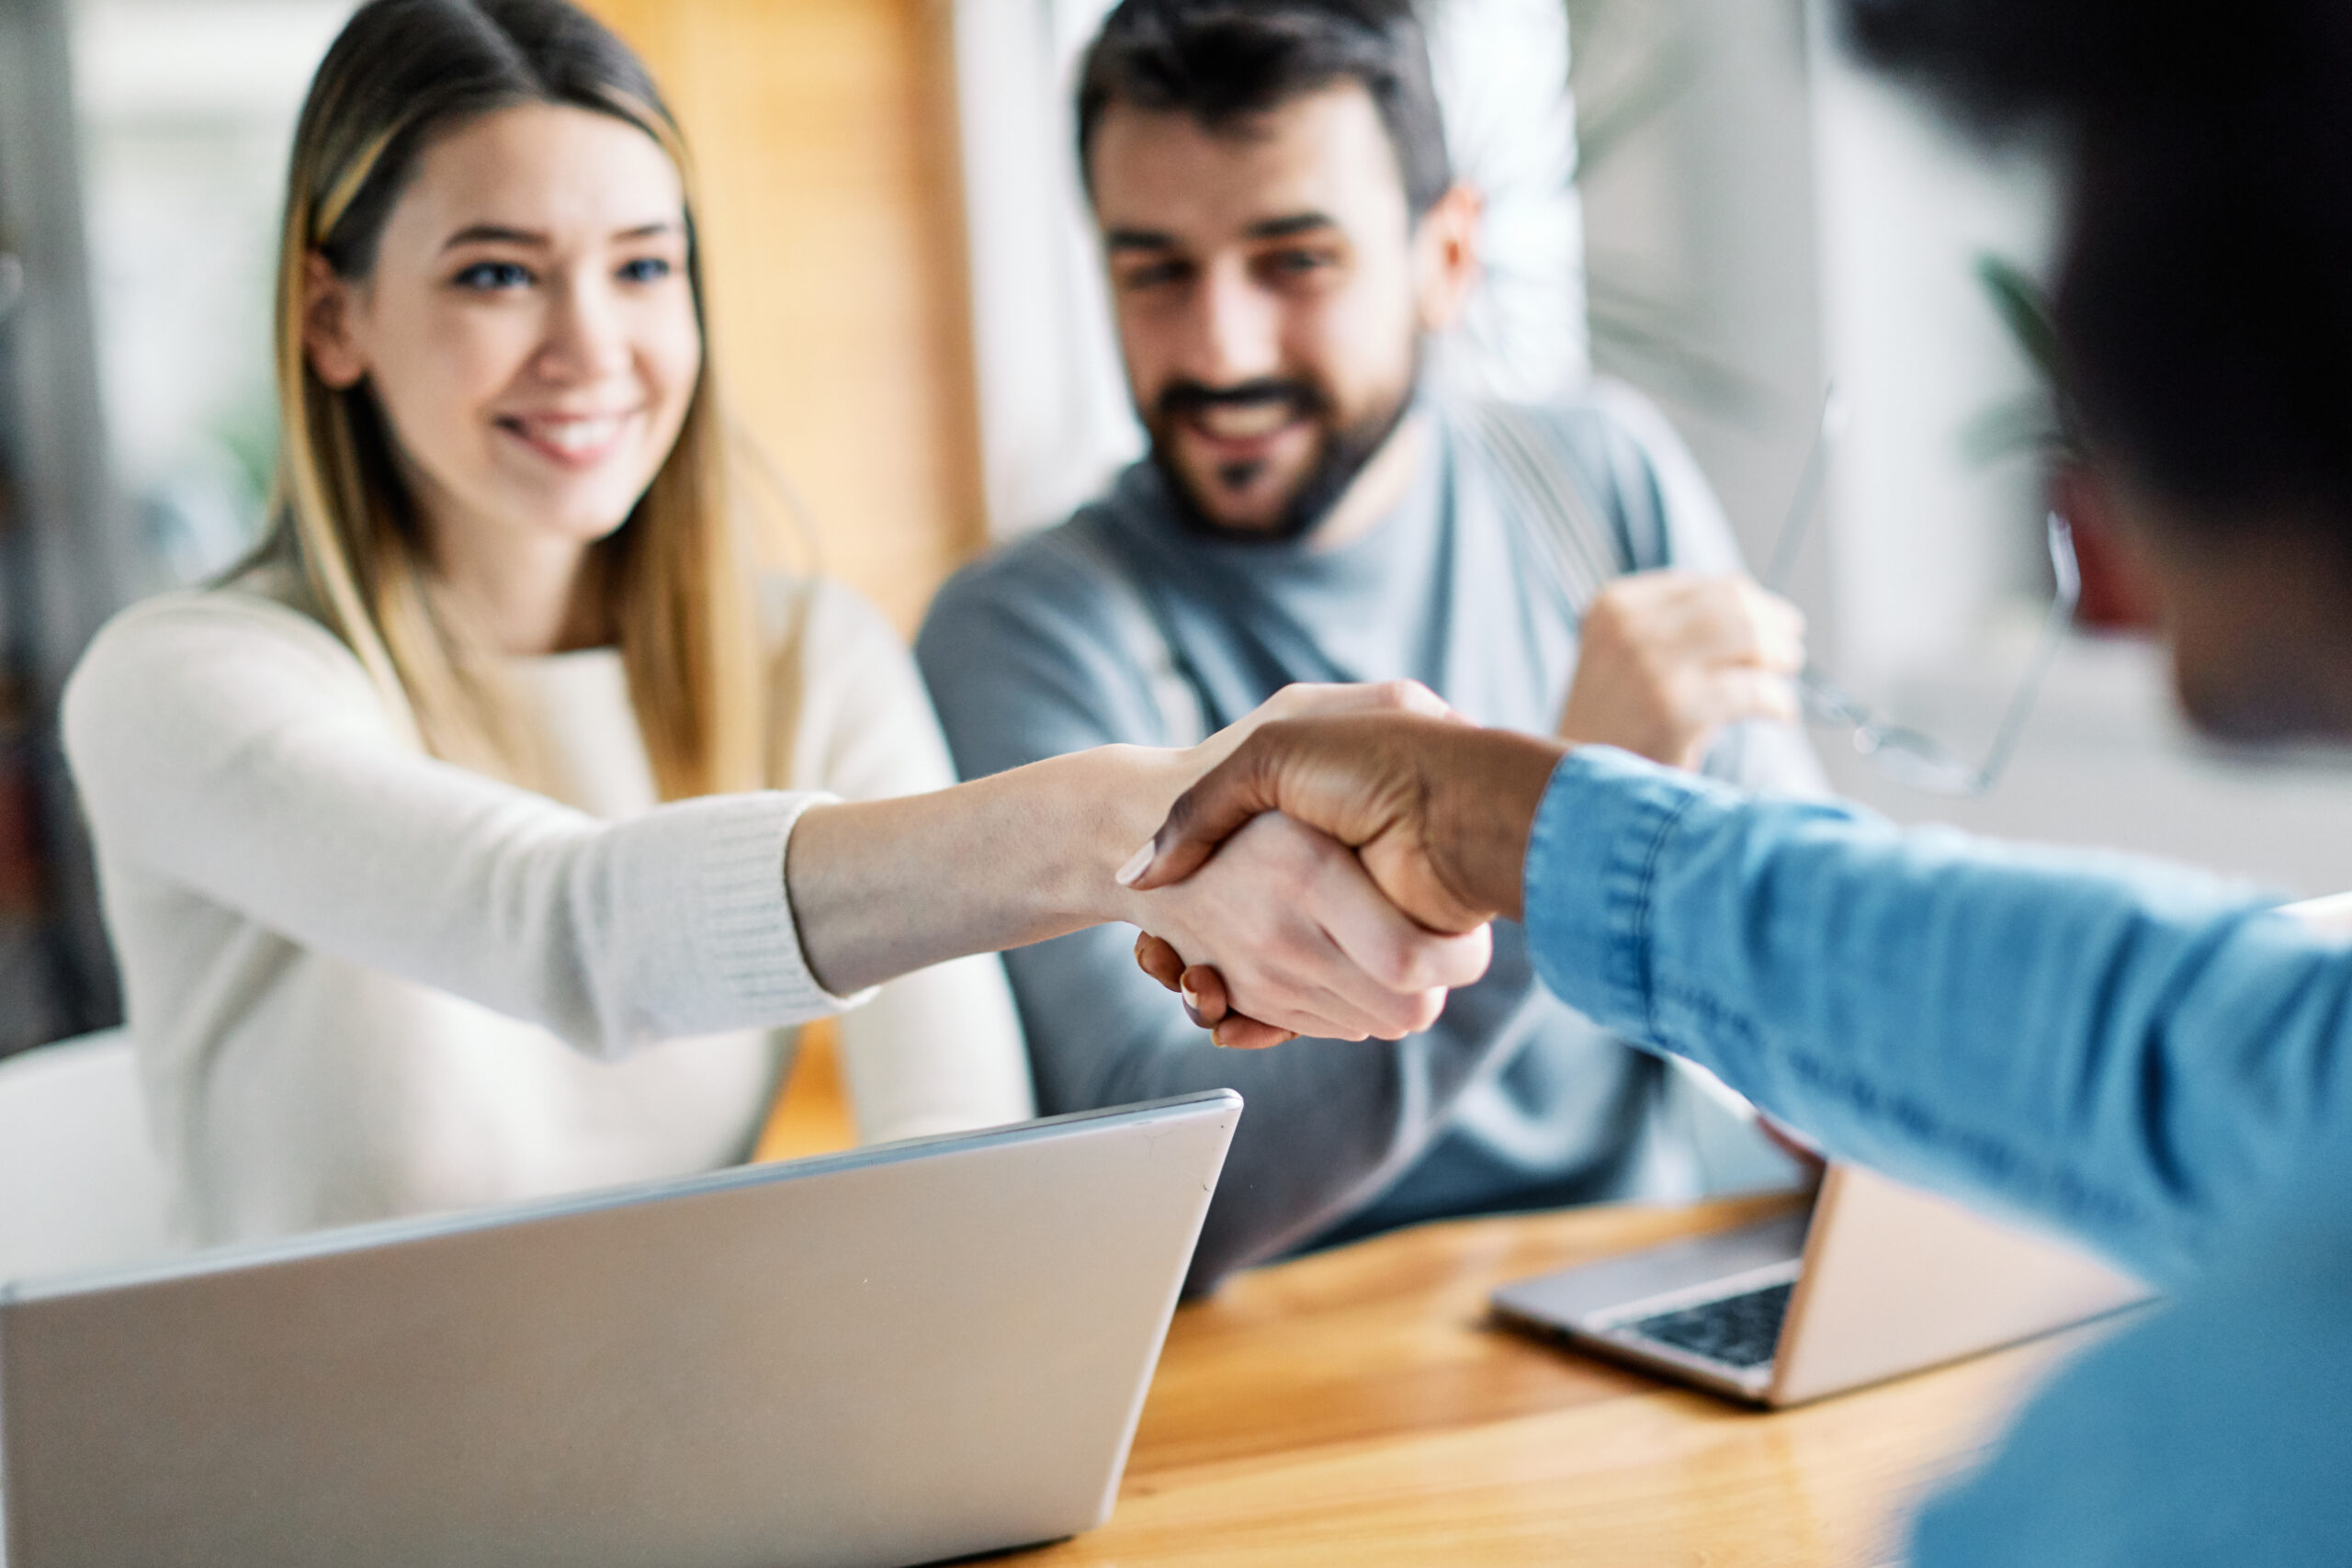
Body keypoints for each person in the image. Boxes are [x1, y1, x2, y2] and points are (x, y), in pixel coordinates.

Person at [1125, 0, 2352, 1558]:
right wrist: (1524, 823)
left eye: (2090, 196)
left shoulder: (2155, 1488)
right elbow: (2197, 1047)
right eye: (1152, 265)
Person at [60, 0, 1487, 1248]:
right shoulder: (182, 687)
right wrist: (1128, 824)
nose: (591, 349)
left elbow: (962, 1167)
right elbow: (563, 929)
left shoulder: (806, 656)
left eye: (642, 266)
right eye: (496, 272)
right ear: (333, 317)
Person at [917, 0, 1821, 1292]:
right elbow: (1145, 1195)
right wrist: (1544, 837)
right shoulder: (1029, 632)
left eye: (1295, 260)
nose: (1221, 348)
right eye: (1156, 270)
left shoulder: (1595, 488)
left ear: (1446, 255)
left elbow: (1779, 941)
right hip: (1277, 1373)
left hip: (1623, 1311)